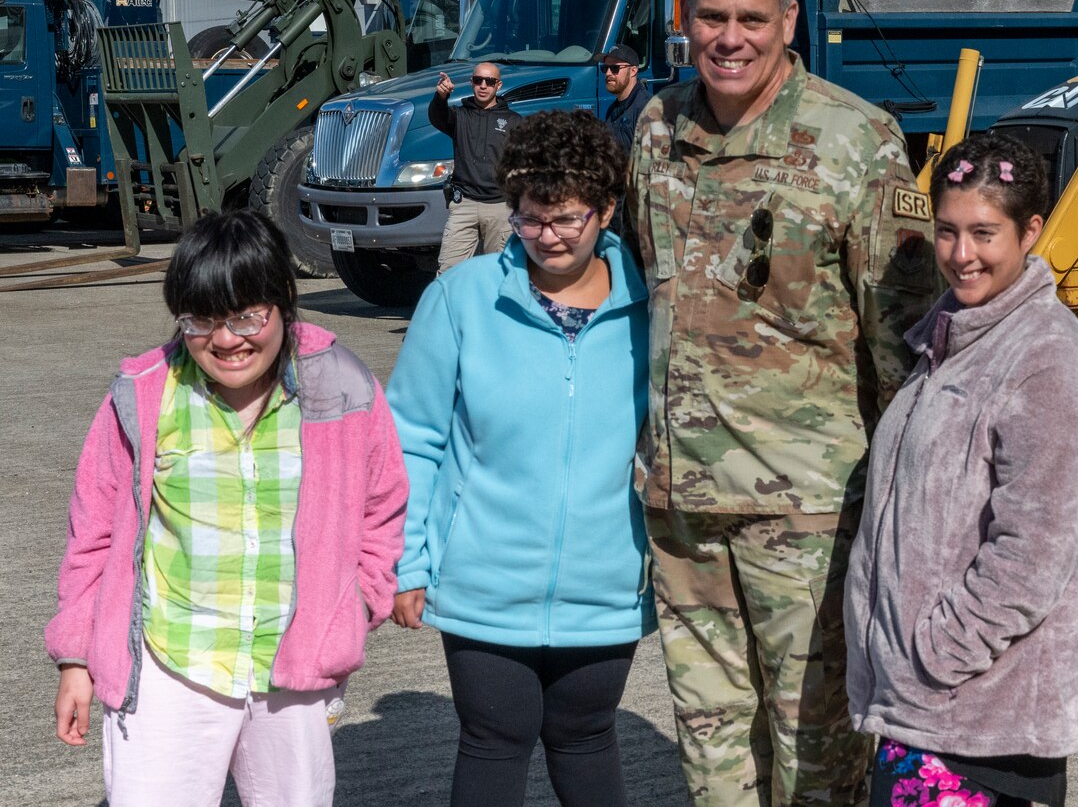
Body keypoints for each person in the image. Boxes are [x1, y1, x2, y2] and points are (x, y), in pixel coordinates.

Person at [625, 0, 937, 807]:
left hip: (807, 512)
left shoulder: (857, 142)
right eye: (712, 16)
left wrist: (907, 509)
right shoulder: (654, 127)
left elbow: (905, 343)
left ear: (791, 18)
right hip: (682, 506)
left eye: (752, 18)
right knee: (710, 741)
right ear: (683, 17)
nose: (730, 38)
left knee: (816, 746)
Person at [46, 210, 408, 807]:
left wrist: (357, 601)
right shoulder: (142, 393)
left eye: (246, 316)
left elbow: (383, 505)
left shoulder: (343, 386)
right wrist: (76, 659)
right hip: (170, 662)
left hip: (294, 670)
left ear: (284, 304)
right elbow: (92, 536)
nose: (226, 339)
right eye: (202, 320)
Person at [844, 134, 1078, 807]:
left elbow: (1037, 550)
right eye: (946, 232)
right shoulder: (957, 338)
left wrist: (938, 652)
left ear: (1031, 231)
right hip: (928, 713)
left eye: (983, 233)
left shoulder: (1048, 359)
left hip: (981, 726)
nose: (961, 255)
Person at [388, 109, 654, 807]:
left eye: (568, 219)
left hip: (607, 585)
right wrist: (407, 561)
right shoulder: (461, 298)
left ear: (606, 210)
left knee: (587, 735)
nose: (548, 237)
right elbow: (412, 435)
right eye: (530, 219)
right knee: (494, 736)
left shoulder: (654, 307)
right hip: (483, 582)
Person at [429, 61, 522, 273]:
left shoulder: (514, 121)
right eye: (478, 80)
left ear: (498, 85)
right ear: (471, 83)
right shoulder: (460, 116)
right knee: (448, 273)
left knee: (500, 274)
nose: (483, 86)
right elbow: (437, 116)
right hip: (465, 204)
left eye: (489, 82)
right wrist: (440, 96)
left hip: (500, 206)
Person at [601, 44, 651, 155]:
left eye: (615, 68)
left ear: (633, 71)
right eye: (605, 68)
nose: (608, 73)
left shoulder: (647, 109)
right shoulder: (612, 110)